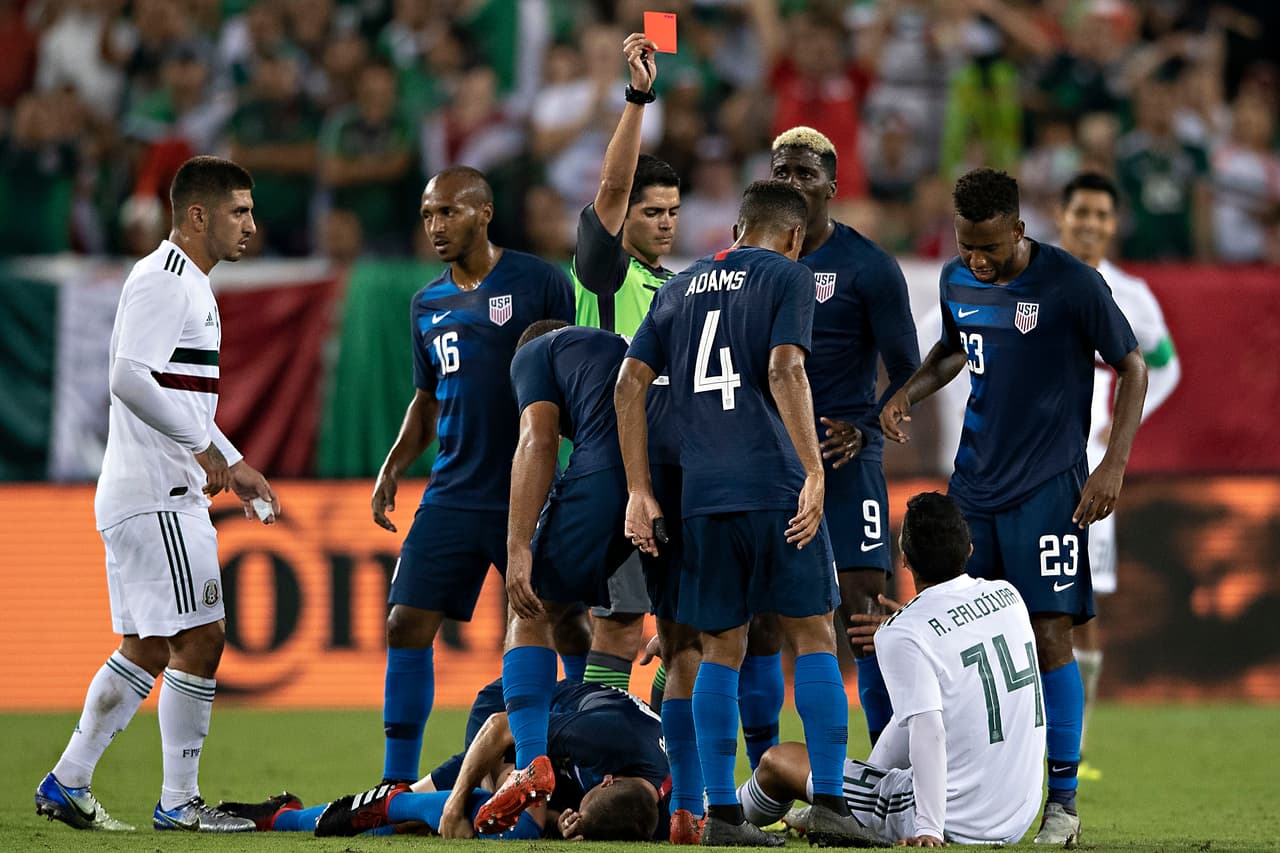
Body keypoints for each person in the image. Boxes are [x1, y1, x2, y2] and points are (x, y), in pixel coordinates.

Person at [880, 168, 1149, 846]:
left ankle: (1062, 804)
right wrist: (906, 392)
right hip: (973, 487)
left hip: (1049, 487)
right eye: (969, 245)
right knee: (940, 632)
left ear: (1020, 230)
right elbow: (950, 351)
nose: (978, 259)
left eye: (991, 247)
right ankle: (917, 791)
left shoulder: (1071, 284)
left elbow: (1135, 365)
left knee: (1050, 632)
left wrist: (1112, 462)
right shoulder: (957, 280)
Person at [616, 180, 873, 848]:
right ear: (790, 236)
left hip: (704, 495)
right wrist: (815, 469)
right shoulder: (789, 277)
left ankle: (723, 815)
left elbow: (628, 383)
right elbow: (787, 367)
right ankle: (832, 806)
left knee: (717, 646)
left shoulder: (676, 289)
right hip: (775, 484)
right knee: (813, 632)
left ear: (737, 228)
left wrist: (640, 490)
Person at [35, 156, 280, 833]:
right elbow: (129, 379)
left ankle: (69, 780)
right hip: (160, 490)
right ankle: (178, 800)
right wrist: (203, 451)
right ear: (197, 215)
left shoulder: (185, 282)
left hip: (150, 486)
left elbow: (174, 392)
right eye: (239, 211)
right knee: (201, 637)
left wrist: (233, 460)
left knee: (146, 646)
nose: (251, 225)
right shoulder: (168, 280)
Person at [370, 166, 574, 788]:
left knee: (568, 621)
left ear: (484, 213)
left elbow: (573, 374)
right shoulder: (425, 303)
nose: (435, 226)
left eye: (448, 212)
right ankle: (395, 785)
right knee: (405, 621)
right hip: (454, 490)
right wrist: (394, 465)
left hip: (530, 489)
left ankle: (582, 762)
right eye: (428, 214)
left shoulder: (541, 281)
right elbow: (427, 399)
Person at [474, 319, 699, 841]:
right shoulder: (617, 348)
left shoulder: (534, 355)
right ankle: (689, 809)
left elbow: (539, 438)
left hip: (615, 465)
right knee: (685, 638)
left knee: (533, 605)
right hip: (687, 470)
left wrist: (516, 546)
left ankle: (532, 771)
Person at [740, 492, 1046, 846]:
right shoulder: (1008, 597)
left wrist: (928, 827)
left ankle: (722, 813)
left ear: (904, 559)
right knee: (915, 709)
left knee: (778, 761)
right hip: (1018, 813)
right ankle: (852, 809)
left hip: (957, 820)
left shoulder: (904, 632)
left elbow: (928, 728)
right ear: (969, 550)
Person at [767, 125, 921, 747]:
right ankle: (760, 769)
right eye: (782, 173)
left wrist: (866, 424)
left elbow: (909, 368)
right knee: (757, 619)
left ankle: (887, 757)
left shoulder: (867, 266)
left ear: (832, 185)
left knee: (862, 608)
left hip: (845, 456)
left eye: (806, 174)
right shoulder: (751, 264)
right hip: (771, 456)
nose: (794, 184)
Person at [1055, 171, 1181, 776]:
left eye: (1102, 215)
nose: (1091, 223)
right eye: (1082, 212)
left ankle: (1073, 749)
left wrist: (1115, 436)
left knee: (1083, 607)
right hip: (1025, 464)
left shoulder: (1130, 294)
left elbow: (1165, 364)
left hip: (1089, 472)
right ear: (1062, 216)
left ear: (1113, 224)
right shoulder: (1034, 277)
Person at [570, 32, 682, 695]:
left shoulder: (678, 286)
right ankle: (605, 750)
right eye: (652, 212)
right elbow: (612, 183)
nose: (666, 223)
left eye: (673, 211)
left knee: (692, 626)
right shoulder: (603, 273)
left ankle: (667, 766)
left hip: (675, 468)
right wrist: (639, 96)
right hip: (614, 471)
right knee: (617, 626)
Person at [222, 678, 670, 842]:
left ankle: (286, 816)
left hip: (563, 760)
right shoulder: (599, 737)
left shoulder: (660, 810)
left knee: (536, 817)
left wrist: (567, 823)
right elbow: (499, 725)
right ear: (607, 780)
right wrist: (456, 804)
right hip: (508, 716)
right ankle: (292, 817)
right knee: (514, 821)